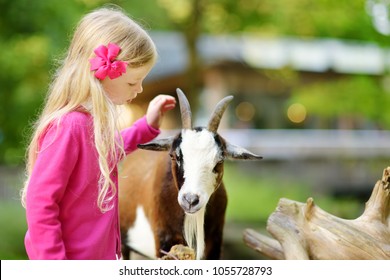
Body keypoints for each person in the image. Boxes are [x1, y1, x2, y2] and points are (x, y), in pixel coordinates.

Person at [20, 6, 176, 260]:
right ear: (103, 74)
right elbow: (41, 203)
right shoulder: (70, 127)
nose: (139, 89)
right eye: (132, 82)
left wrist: (147, 125)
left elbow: (109, 150)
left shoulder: (89, 126)